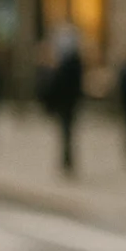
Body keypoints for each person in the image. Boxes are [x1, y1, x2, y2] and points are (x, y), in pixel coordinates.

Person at [40, 24, 85, 177]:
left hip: (66, 103)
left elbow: (57, 85)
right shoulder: (73, 62)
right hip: (69, 103)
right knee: (67, 132)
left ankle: (67, 160)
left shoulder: (66, 64)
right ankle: (67, 160)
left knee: (66, 132)